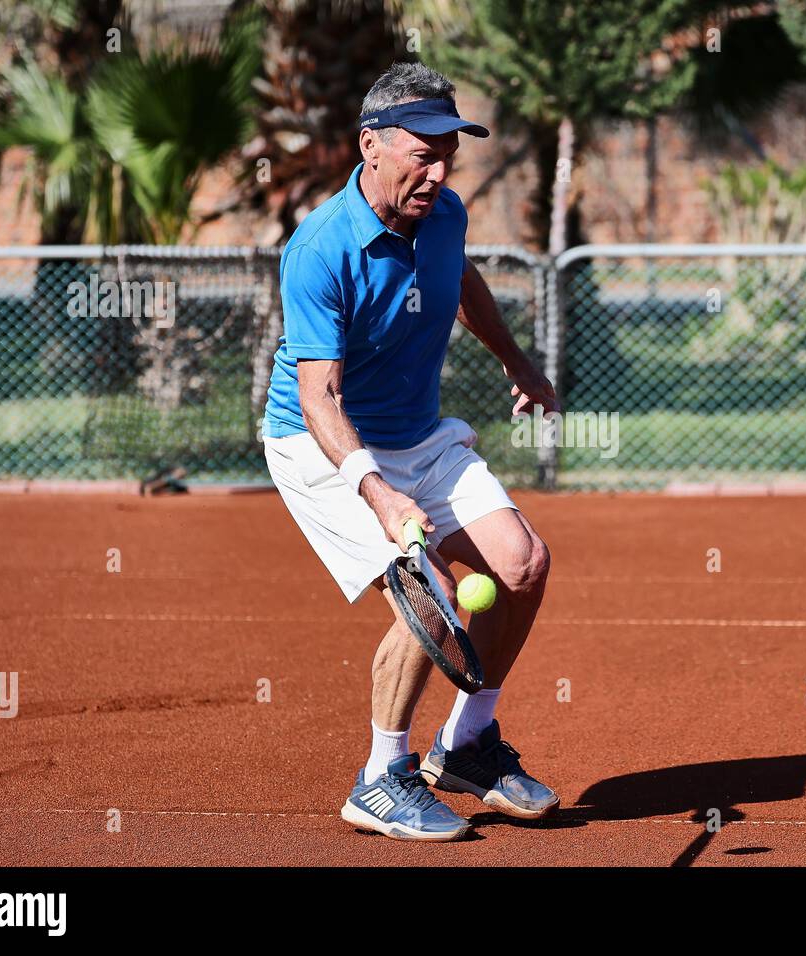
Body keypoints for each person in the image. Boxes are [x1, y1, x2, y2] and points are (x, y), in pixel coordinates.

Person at [262, 62, 559, 842]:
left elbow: (460, 281)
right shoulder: (320, 250)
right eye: (421, 152)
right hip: (321, 444)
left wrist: (514, 358)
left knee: (521, 565)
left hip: (419, 435)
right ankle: (379, 779)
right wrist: (378, 493)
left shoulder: (446, 215)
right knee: (424, 588)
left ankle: (465, 748)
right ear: (371, 146)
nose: (437, 170)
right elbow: (321, 398)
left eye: (447, 153)